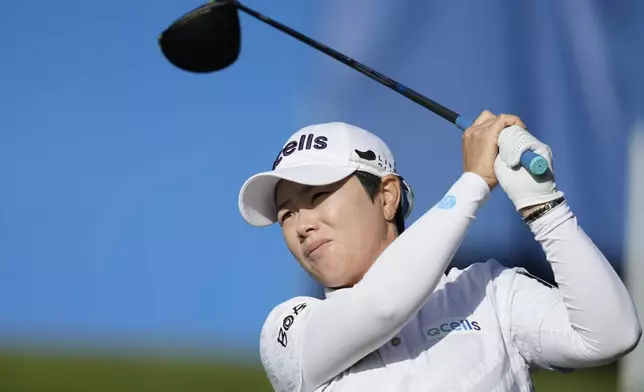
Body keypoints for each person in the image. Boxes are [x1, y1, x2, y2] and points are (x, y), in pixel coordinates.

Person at [237, 111, 642, 392]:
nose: (302, 224)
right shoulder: (289, 329)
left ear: (388, 196)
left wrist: (545, 207)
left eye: (319, 195)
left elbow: (611, 336)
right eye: (287, 214)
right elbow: (383, 306)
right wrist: (473, 183)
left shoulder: (487, 291)